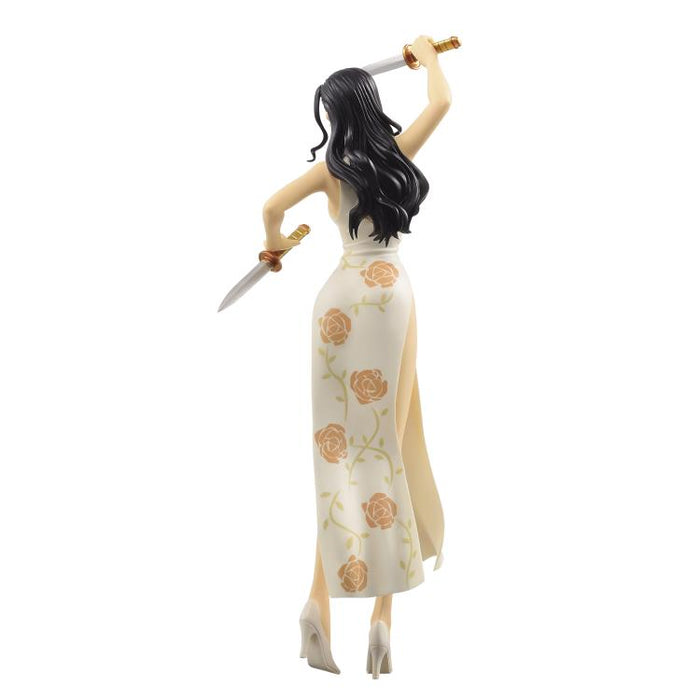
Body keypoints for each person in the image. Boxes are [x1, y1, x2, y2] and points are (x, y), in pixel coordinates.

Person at [261, 35, 451, 678]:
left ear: (333, 114)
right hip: (389, 295)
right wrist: (428, 59)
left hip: (336, 301)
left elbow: (271, 207)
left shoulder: (330, 172)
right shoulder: (393, 155)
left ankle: (317, 602)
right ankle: (381, 618)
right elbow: (442, 101)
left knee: (337, 450)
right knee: (387, 445)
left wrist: (276, 247)